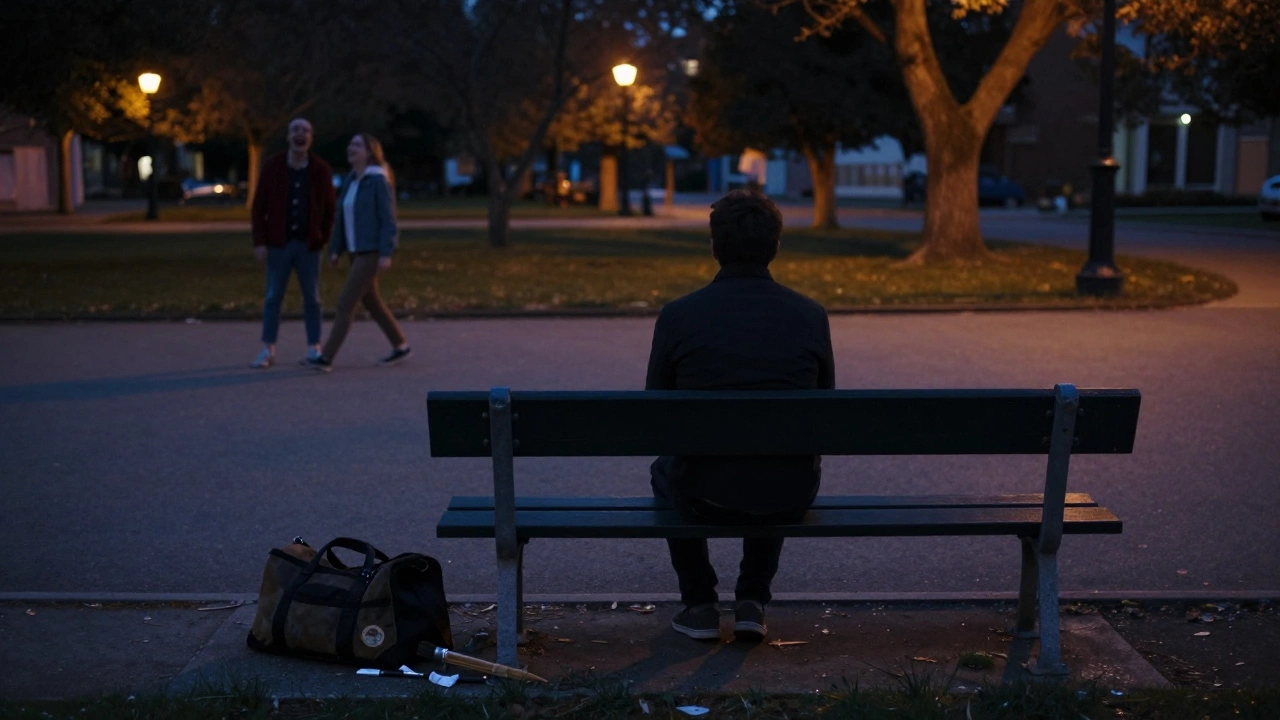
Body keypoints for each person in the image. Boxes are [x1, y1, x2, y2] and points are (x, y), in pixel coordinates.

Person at [645, 189, 835, 642]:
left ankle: (699, 603)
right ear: (776, 247)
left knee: (665, 470)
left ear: (714, 247)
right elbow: (824, 408)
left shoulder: (679, 316)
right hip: (788, 494)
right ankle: (751, 599)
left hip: (700, 493)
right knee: (781, 455)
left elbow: (655, 412)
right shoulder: (810, 316)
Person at [303, 133, 410, 372]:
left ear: (370, 152)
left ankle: (326, 357)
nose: (351, 148)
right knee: (371, 301)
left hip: (370, 253)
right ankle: (400, 345)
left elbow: (388, 220)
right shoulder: (352, 179)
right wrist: (336, 249)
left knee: (345, 304)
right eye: (350, 144)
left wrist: (386, 252)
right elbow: (342, 218)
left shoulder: (378, 181)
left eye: (357, 145)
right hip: (354, 252)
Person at [249, 117, 336, 369]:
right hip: (279, 244)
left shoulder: (320, 170)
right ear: (288, 136)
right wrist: (260, 241)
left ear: (311, 137)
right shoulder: (273, 167)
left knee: (312, 297)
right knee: (274, 296)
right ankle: (267, 348)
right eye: (296, 130)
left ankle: (313, 347)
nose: (301, 134)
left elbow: (330, 210)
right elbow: (258, 207)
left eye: (306, 130)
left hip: (308, 246)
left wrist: (323, 238)